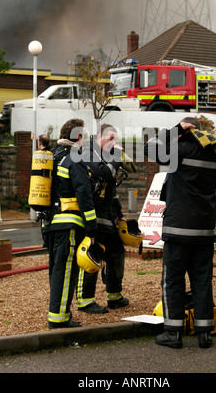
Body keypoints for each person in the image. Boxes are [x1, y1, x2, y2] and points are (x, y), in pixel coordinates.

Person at [144, 117, 216, 349]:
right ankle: (205, 332)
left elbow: (149, 147)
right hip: (204, 229)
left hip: (178, 228)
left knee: (173, 280)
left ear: (186, 132)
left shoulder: (180, 150)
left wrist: (175, 131)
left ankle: (173, 333)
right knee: (202, 280)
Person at [42, 119, 98, 329]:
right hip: (69, 225)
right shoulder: (75, 159)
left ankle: (57, 311)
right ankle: (59, 317)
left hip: (49, 224)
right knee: (65, 271)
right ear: (79, 137)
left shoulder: (53, 157)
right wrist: (92, 228)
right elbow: (84, 195)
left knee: (55, 270)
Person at [76, 124, 129, 314]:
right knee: (93, 256)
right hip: (93, 217)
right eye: (111, 138)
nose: (113, 143)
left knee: (116, 254)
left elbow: (111, 189)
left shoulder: (106, 155)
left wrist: (119, 213)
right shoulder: (89, 153)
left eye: (116, 139)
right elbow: (105, 174)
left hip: (108, 217)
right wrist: (116, 157)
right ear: (99, 136)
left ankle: (114, 296)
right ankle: (85, 301)